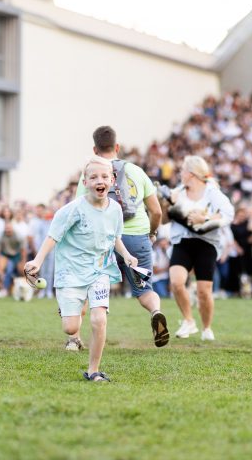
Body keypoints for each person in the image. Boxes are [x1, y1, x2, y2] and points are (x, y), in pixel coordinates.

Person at [24, 156, 139, 383]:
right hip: (71, 272)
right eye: (94, 177)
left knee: (98, 319)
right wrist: (37, 261)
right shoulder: (72, 210)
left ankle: (94, 370)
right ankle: (66, 309)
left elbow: (115, 238)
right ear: (85, 182)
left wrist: (126, 255)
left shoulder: (116, 209)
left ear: (113, 180)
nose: (100, 180)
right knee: (71, 327)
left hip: (100, 271)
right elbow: (53, 237)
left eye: (105, 176)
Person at [76, 126, 168, 347]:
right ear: (117, 147)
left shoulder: (90, 173)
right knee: (145, 289)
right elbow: (156, 211)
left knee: (86, 288)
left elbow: (77, 209)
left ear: (95, 149)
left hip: (103, 238)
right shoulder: (136, 171)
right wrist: (152, 233)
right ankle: (156, 311)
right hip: (137, 237)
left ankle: (74, 338)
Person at [163, 155, 235, 341]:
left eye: (182, 170)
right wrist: (166, 205)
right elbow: (164, 220)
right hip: (183, 241)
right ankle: (189, 320)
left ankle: (206, 328)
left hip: (207, 243)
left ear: (192, 174)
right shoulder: (177, 192)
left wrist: (206, 219)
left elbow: (228, 214)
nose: (180, 173)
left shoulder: (212, 192)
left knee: (204, 291)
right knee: (176, 282)